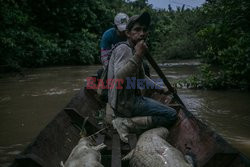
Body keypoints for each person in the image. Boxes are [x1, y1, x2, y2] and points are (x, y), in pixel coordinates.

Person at [107, 12, 177, 143]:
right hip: (124, 104)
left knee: (162, 109)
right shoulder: (124, 49)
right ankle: (125, 123)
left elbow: (142, 79)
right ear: (128, 33)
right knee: (171, 115)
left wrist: (161, 90)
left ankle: (128, 121)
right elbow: (119, 78)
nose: (142, 33)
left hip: (128, 100)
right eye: (137, 29)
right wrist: (138, 56)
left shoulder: (134, 49)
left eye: (144, 30)